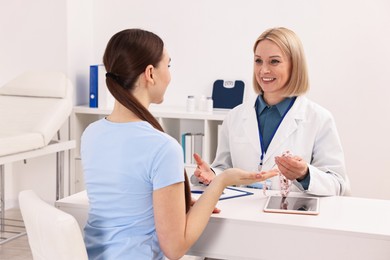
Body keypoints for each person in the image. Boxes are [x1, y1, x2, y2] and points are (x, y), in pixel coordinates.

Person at [80, 28, 277, 260]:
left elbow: (127, 201)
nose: (170, 76)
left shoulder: (91, 133)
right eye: (169, 66)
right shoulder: (162, 147)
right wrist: (221, 181)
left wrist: (176, 205)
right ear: (150, 73)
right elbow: (174, 249)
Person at [194, 27, 349, 197]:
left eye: (274, 61)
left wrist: (304, 174)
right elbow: (224, 168)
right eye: (258, 61)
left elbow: (338, 184)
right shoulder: (235, 116)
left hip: (291, 217)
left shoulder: (319, 118)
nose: (264, 70)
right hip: (240, 213)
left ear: (294, 65)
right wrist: (212, 174)